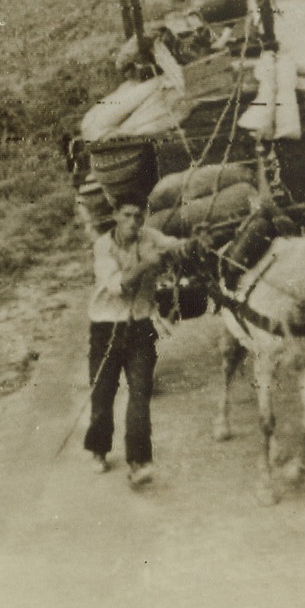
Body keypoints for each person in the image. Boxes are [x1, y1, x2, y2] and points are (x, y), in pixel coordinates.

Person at [84, 195, 191, 487]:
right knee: (103, 394)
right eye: (127, 215)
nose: (134, 222)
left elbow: (173, 244)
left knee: (140, 392)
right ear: (116, 216)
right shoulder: (103, 247)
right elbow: (119, 286)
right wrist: (147, 264)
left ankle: (139, 461)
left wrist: (191, 244)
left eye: (138, 216)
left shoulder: (149, 236)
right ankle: (98, 449)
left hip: (141, 327)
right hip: (107, 329)